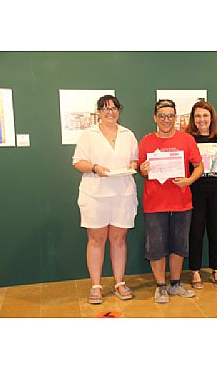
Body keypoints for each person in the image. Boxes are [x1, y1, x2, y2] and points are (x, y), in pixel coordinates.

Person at [73, 95, 138, 304]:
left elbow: (134, 159)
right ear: (99, 112)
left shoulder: (128, 135)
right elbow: (78, 162)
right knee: (96, 240)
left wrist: (134, 164)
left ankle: (119, 283)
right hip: (95, 195)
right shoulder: (88, 135)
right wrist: (94, 168)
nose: (110, 112)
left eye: (114, 108)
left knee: (119, 240)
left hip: (123, 194)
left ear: (119, 110)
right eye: (105, 108)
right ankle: (96, 286)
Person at [138, 99, 204, 303]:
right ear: (155, 118)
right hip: (155, 203)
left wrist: (190, 180)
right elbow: (141, 169)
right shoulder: (146, 141)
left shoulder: (186, 140)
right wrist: (143, 170)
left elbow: (199, 166)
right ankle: (160, 287)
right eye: (162, 116)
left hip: (182, 202)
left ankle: (175, 283)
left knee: (179, 245)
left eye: (170, 116)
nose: (166, 120)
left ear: (175, 118)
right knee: (156, 247)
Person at [186, 100, 217, 289]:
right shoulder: (188, 139)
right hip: (196, 191)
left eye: (205, 115)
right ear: (193, 119)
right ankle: (195, 271)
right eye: (198, 116)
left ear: (211, 118)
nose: (202, 119)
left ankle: (216, 269)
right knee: (196, 231)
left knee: (216, 231)